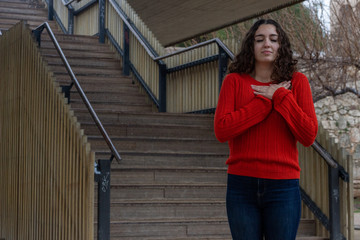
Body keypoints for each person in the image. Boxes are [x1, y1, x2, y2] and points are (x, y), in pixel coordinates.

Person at [214, 19, 318, 240]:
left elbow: (308, 135)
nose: (266, 44)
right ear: (251, 46)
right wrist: (264, 102)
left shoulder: (297, 83)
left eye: (273, 39)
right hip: (241, 185)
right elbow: (222, 130)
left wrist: (280, 96)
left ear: (281, 46)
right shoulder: (233, 81)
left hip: (283, 186)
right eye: (259, 39)